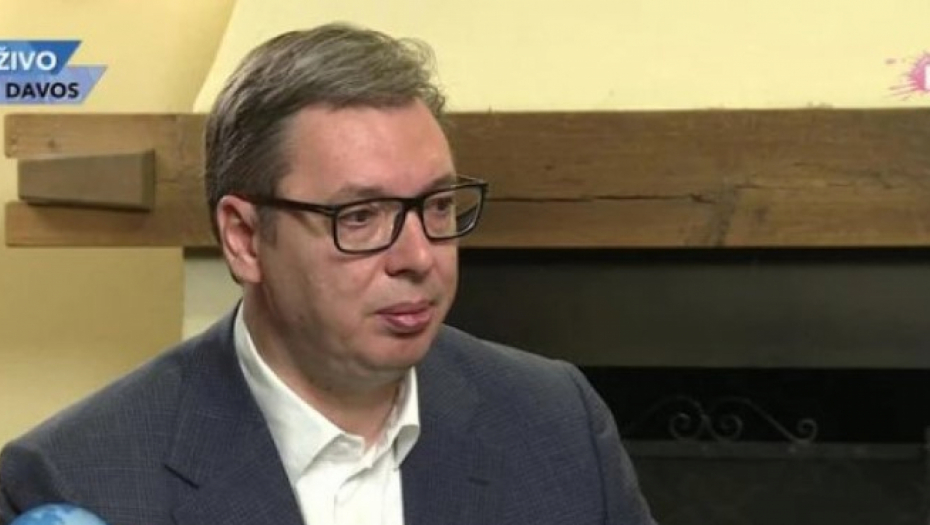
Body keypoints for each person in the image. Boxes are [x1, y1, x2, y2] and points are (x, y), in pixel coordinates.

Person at [0, 23, 655, 525]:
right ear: (245, 238)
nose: (418, 256)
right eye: (360, 216)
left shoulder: (556, 422)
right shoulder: (71, 484)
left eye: (436, 206)